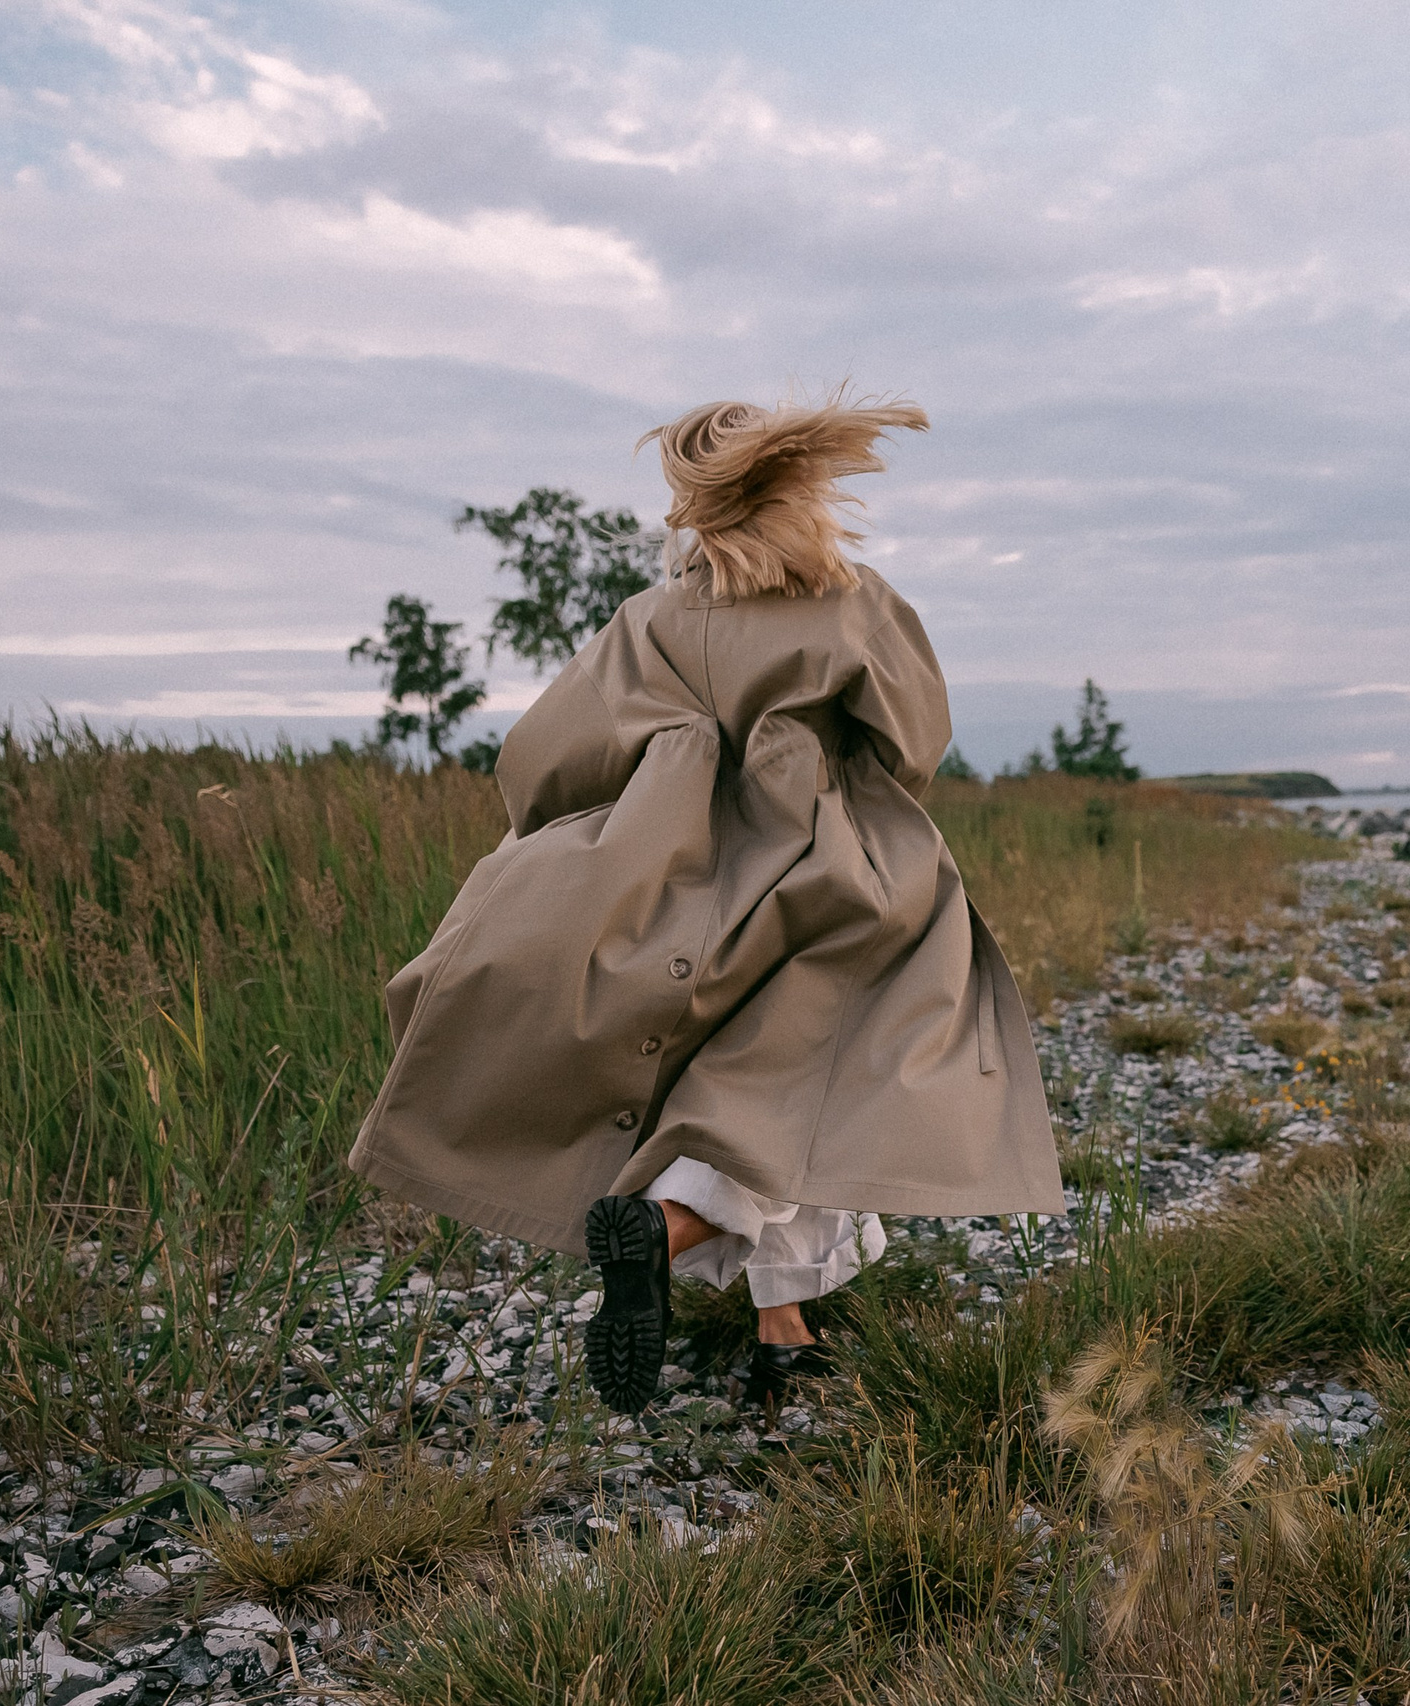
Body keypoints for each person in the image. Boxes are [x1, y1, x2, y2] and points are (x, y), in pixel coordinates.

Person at [348, 395, 1066, 1412]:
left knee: (752, 1091)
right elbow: (914, 737)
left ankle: (785, 1327)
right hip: (828, 876)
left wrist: (595, 827)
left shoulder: (646, 621)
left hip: (673, 875)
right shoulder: (855, 602)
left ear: (690, 503)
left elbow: (547, 759)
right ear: (798, 487)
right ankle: (665, 1231)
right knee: (813, 1083)